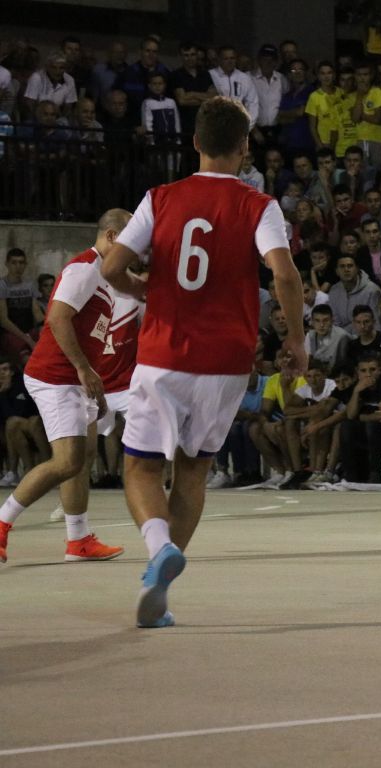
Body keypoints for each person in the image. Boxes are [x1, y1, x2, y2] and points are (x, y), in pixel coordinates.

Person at [101, 97, 306, 628]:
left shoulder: (160, 198)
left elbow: (112, 267)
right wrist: (296, 338)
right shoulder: (259, 205)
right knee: (193, 472)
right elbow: (284, 274)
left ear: (194, 142)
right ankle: (160, 588)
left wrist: (143, 290)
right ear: (245, 147)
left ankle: (158, 548)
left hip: (164, 353)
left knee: (141, 467)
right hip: (227, 361)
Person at [0, 210, 134, 566]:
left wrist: (94, 381)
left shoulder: (107, 274)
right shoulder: (84, 269)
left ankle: (79, 540)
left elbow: (91, 335)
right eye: (130, 240)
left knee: (84, 457)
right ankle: (2, 522)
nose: (134, 249)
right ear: (111, 236)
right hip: (55, 376)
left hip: (75, 378)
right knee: (67, 460)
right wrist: (82, 369)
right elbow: (57, 319)